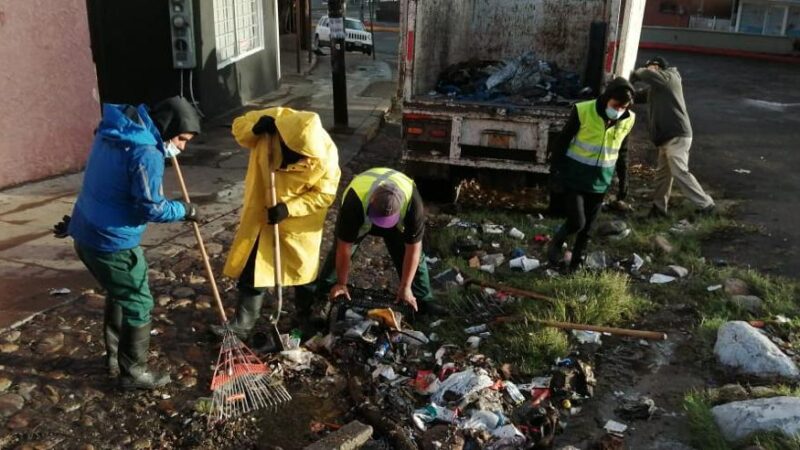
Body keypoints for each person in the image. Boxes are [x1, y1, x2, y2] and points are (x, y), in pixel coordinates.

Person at [54, 96, 202, 390]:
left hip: (85, 230)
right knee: (138, 302)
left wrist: (77, 222)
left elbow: (103, 181)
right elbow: (151, 207)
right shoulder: (145, 152)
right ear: (167, 127)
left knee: (118, 293)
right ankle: (133, 373)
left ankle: (114, 359)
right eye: (181, 139)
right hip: (112, 243)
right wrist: (185, 210)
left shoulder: (113, 132)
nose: (182, 147)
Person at [214, 107, 340, 340]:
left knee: (303, 273)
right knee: (254, 268)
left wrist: (288, 208)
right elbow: (238, 127)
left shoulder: (327, 155)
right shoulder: (277, 120)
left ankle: (304, 317)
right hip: (262, 213)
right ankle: (242, 325)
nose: (297, 161)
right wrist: (254, 129)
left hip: (299, 222)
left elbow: (324, 195)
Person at [548, 78, 636, 270]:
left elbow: (623, 152)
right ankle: (556, 243)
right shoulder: (583, 110)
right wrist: (555, 171)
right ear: (606, 98)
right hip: (575, 177)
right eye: (615, 106)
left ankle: (576, 264)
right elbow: (562, 141)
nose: (618, 111)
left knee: (587, 229)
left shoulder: (628, 119)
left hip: (600, 181)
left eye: (623, 107)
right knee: (578, 221)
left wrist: (623, 181)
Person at [316, 167, 433, 312]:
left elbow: (413, 249)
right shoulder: (354, 201)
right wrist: (342, 282)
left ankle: (421, 301)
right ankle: (326, 293)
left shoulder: (413, 205)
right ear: (372, 200)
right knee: (337, 254)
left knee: (413, 258)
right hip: (361, 215)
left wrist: (405, 287)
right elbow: (344, 248)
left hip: (395, 225)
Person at [631, 56, 715, 217]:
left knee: (680, 171)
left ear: (659, 67)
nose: (649, 70)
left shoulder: (670, 78)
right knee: (663, 175)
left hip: (677, 135)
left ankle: (706, 204)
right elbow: (637, 96)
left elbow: (647, 75)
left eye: (652, 67)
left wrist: (638, 72)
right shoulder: (658, 88)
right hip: (666, 138)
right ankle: (659, 208)